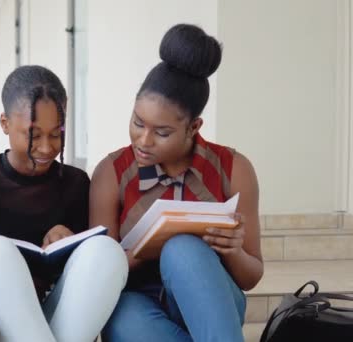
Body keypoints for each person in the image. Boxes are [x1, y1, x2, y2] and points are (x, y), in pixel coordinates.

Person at [90, 24, 263, 342]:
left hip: (213, 302)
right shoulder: (111, 172)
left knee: (182, 249)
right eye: (138, 122)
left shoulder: (234, 168)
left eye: (162, 132)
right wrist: (143, 250)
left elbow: (251, 277)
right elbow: (100, 277)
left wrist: (233, 251)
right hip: (138, 304)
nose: (143, 140)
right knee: (122, 318)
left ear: (194, 126)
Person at [0, 65, 128, 342]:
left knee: (107, 251)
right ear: (4, 123)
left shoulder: (76, 184)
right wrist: (14, 285)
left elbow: (84, 279)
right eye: (33, 134)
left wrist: (70, 242)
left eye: (56, 134)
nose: (46, 148)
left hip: (54, 317)